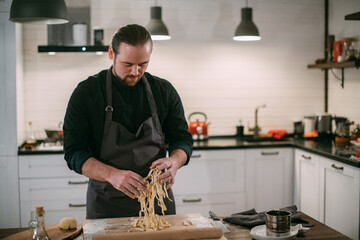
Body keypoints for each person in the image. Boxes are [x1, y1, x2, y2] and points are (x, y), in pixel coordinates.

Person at [63, 24, 193, 219]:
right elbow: (74, 153)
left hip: (158, 206)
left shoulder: (164, 91)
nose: (135, 72)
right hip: (106, 207)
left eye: (143, 64)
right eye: (127, 64)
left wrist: (175, 161)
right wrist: (112, 175)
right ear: (111, 53)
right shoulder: (86, 93)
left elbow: (182, 139)